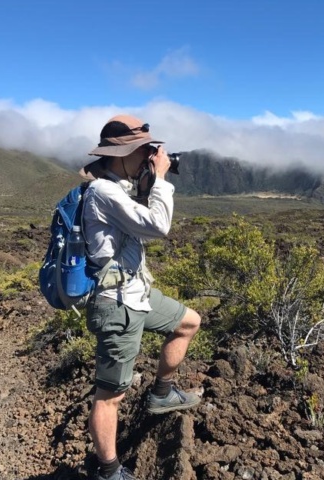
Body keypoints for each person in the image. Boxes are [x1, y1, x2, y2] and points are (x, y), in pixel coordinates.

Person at [79, 114, 202, 480]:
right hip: (116, 303)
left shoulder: (117, 188)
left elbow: (143, 228)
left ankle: (162, 393)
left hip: (137, 294)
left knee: (188, 322)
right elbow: (159, 227)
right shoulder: (104, 192)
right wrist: (161, 178)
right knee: (110, 395)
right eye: (144, 150)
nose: (150, 155)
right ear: (121, 154)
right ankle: (109, 471)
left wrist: (149, 184)